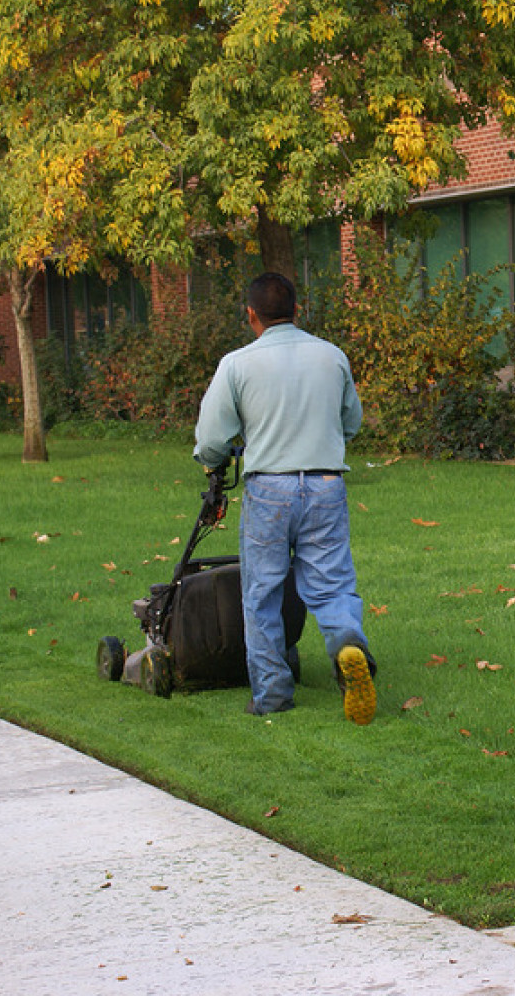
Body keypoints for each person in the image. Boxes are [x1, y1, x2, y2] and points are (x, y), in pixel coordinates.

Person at [193, 272, 377, 724]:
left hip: (269, 488)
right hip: (326, 484)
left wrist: (215, 458)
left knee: (262, 592)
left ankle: (273, 694)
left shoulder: (236, 364)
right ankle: (348, 645)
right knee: (331, 582)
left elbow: (212, 439)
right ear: (297, 311)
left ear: (251, 315)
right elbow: (350, 423)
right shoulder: (332, 356)